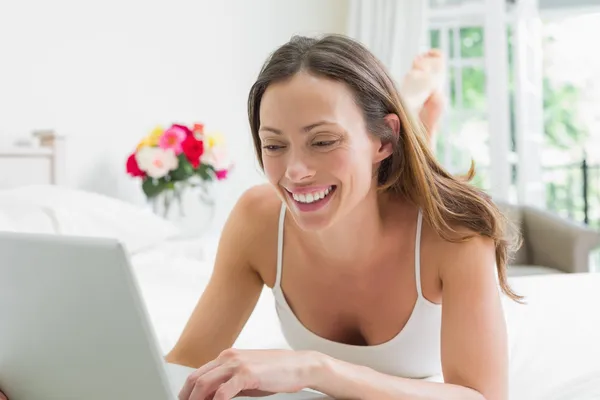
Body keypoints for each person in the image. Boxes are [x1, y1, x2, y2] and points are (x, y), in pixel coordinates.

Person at [0, 35, 520, 400]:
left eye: (322, 141)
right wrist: (43, 384)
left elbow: (480, 395)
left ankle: (416, 106)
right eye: (274, 145)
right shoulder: (257, 217)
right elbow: (186, 362)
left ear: (384, 140)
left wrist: (316, 369)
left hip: (404, 171)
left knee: (414, 166)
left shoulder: (456, 233)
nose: (294, 172)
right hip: (377, 142)